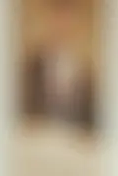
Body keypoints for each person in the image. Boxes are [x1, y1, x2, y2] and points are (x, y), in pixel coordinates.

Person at [21, 0, 96, 134]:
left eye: (69, 19)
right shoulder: (30, 69)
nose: (63, 26)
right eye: (59, 18)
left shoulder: (85, 75)